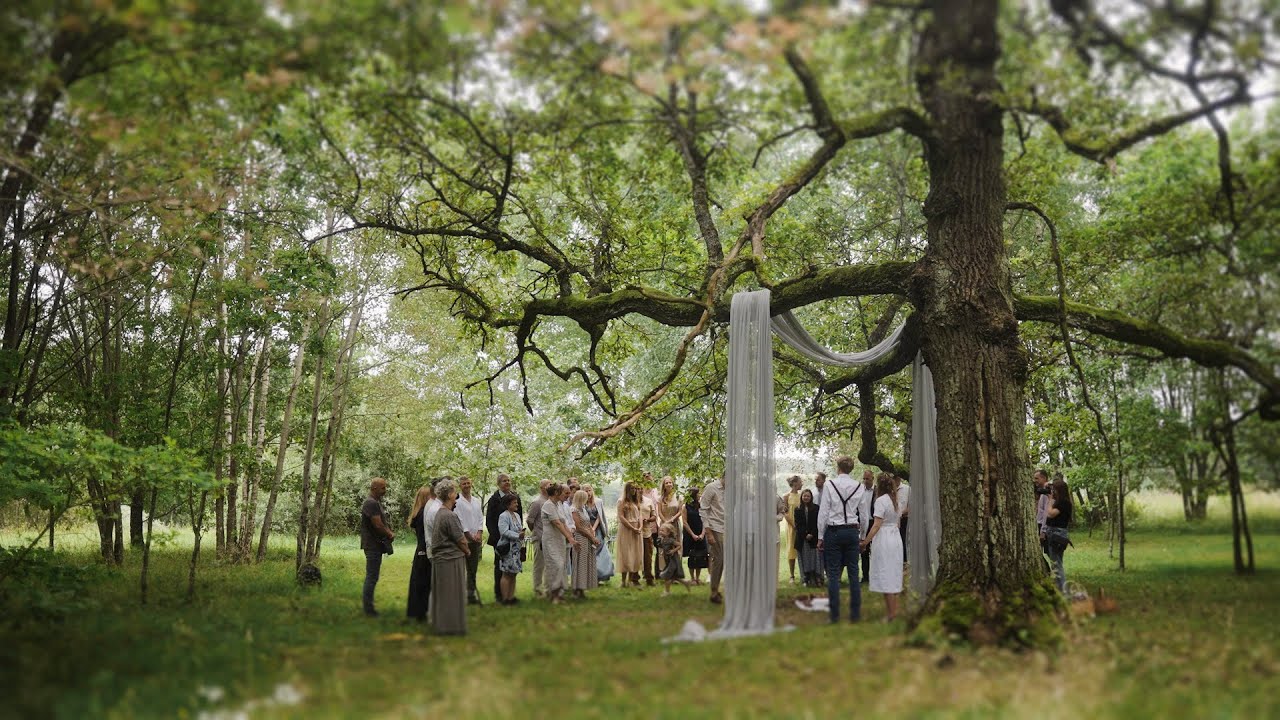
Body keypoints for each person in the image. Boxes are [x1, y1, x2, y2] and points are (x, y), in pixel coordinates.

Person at [817, 456, 865, 623]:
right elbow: (864, 515)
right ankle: (855, 615)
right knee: (853, 572)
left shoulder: (830, 484)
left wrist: (820, 536)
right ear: (850, 469)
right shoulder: (859, 486)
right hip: (852, 531)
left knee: (834, 574)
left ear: (838, 468)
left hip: (834, 531)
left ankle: (835, 616)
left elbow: (823, 512)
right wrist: (863, 537)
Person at [429, 479, 470, 635]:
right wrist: (467, 550)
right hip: (450, 559)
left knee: (444, 594)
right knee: (452, 595)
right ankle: (451, 627)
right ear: (450, 494)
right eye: (454, 491)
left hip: (442, 559)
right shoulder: (449, 515)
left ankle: (443, 624)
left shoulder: (440, 512)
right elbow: (460, 539)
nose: (456, 494)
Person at [862, 473, 904, 622]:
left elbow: (876, 525)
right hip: (896, 538)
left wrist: (865, 542)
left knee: (886, 574)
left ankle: (891, 614)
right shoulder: (896, 501)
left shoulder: (880, 501)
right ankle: (894, 611)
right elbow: (897, 523)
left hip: (885, 539)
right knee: (893, 573)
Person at [359, 477, 394, 617]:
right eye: (382, 488)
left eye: (385, 487)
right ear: (374, 488)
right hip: (372, 545)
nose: (385, 490)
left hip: (375, 545)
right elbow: (377, 524)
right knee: (372, 576)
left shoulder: (374, 503)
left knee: (373, 576)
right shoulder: (371, 503)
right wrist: (389, 533)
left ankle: (369, 607)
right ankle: (369, 609)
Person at [486, 473, 523, 603]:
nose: (507, 483)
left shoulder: (515, 497)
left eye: (508, 480)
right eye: (504, 481)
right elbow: (489, 521)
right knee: (500, 568)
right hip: (501, 541)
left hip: (515, 541)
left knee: (513, 569)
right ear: (499, 484)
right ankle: (500, 596)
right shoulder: (494, 499)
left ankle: (510, 596)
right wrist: (498, 540)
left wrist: (520, 534)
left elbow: (520, 516)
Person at [541, 483, 575, 604]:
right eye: (561, 492)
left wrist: (571, 537)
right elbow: (557, 523)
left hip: (559, 540)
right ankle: (553, 594)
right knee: (556, 566)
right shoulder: (548, 505)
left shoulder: (559, 504)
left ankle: (558, 594)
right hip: (550, 541)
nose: (565, 494)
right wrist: (569, 538)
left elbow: (564, 522)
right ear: (556, 493)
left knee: (561, 567)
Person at [455, 476, 485, 605]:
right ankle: (459, 595)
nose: (466, 485)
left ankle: (470, 594)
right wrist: (468, 535)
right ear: (460, 486)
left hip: (476, 540)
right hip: (463, 540)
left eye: (468, 483)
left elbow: (480, 518)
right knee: (461, 568)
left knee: (473, 568)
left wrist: (479, 532)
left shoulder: (476, 501)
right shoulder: (457, 502)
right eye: (464, 484)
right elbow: (459, 520)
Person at [406, 484, 434, 620]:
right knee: (424, 582)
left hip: (420, 550)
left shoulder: (418, 513)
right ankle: (421, 612)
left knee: (418, 581)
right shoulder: (424, 513)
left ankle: (417, 611)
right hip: (424, 549)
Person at [570, 490, 601, 599]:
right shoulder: (574, 509)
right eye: (585, 498)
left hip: (588, 538)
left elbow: (587, 524)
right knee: (580, 563)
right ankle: (576, 589)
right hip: (580, 538)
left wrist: (593, 535)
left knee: (586, 563)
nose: (587, 499)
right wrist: (591, 537)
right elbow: (578, 527)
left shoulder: (583, 509)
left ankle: (582, 588)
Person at [700, 476, 726, 604]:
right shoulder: (711, 488)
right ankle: (714, 592)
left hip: (728, 528)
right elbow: (703, 509)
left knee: (724, 560)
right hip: (715, 528)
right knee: (719, 559)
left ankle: (718, 590)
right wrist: (708, 532)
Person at [1045, 476, 1074, 592]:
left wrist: (1050, 500)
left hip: (1057, 533)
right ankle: (1060, 588)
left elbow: (1050, 514)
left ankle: (1063, 591)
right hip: (1055, 532)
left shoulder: (1063, 502)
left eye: (1054, 489)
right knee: (1056, 563)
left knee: (1057, 565)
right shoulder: (1061, 501)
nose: (1052, 491)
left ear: (1059, 490)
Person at [496, 493, 525, 605]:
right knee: (506, 573)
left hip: (516, 549)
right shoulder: (503, 516)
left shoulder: (517, 515)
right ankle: (505, 599)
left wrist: (521, 533)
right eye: (514, 502)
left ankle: (511, 597)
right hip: (507, 549)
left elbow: (518, 529)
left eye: (516, 502)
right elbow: (503, 531)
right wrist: (518, 535)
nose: (517, 504)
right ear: (508, 504)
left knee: (514, 573)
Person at [615, 482, 644, 587]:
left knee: (635, 555)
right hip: (626, 530)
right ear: (627, 489)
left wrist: (640, 527)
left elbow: (640, 516)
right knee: (626, 555)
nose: (634, 490)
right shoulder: (621, 501)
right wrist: (632, 528)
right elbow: (621, 517)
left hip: (637, 530)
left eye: (635, 488)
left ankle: (631, 580)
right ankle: (623, 582)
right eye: (632, 488)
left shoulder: (636, 501)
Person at [526, 479, 550, 597]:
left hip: (549, 539)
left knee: (548, 565)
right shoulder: (537, 502)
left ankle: (546, 588)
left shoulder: (549, 501)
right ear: (541, 488)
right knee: (539, 565)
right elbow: (529, 520)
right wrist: (536, 532)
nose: (551, 486)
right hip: (539, 538)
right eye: (548, 485)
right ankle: (537, 589)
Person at [654, 521, 691, 596]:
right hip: (668, 560)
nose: (660, 532)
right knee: (674, 577)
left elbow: (679, 545)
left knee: (667, 576)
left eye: (662, 531)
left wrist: (673, 551)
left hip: (673, 560)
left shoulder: (671, 540)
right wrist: (662, 552)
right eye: (660, 530)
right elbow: (663, 547)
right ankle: (686, 582)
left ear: (668, 533)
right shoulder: (663, 540)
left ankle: (667, 592)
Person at [794, 489, 821, 587]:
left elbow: (817, 523)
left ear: (811, 497)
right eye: (804, 496)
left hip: (813, 538)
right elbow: (798, 524)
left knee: (814, 558)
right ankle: (805, 578)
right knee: (804, 558)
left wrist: (812, 534)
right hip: (802, 538)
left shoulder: (816, 508)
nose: (806, 498)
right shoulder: (797, 509)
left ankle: (815, 577)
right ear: (801, 497)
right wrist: (805, 534)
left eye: (808, 496)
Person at [586, 486, 614, 583]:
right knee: (591, 552)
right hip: (587, 528)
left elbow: (600, 516)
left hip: (597, 528)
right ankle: (592, 576)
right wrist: (590, 528)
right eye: (586, 491)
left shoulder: (598, 501)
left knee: (601, 551)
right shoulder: (582, 503)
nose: (588, 492)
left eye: (589, 490)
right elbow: (584, 517)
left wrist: (594, 528)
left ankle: (602, 574)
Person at [682, 487, 708, 585]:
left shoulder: (701, 506)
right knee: (692, 556)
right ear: (693, 495)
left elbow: (705, 520)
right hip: (690, 533)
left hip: (700, 531)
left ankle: (698, 578)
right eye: (698, 494)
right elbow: (684, 522)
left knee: (700, 555)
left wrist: (702, 533)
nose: (699, 495)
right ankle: (692, 578)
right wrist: (692, 534)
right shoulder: (685, 506)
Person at [656, 475, 684, 561]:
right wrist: (666, 522)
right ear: (663, 485)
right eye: (666, 483)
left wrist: (672, 519)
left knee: (675, 544)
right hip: (664, 525)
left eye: (670, 482)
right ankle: (663, 568)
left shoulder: (679, 497)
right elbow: (659, 512)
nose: (668, 484)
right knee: (664, 545)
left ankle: (676, 568)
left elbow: (680, 511)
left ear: (673, 484)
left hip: (675, 524)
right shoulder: (660, 498)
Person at [640, 477, 659, 586]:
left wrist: (651, 520)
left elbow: (654, 512)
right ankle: (635, 577)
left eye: (649, 478)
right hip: (637, 530)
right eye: (645, 478)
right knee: (639, 554)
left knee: (649, 553)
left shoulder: (654, 492)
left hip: (651, 528)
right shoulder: (636, 495)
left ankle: (652, 575)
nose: (648, 480)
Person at [784, 475, 802, 583]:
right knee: (791, 550)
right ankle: (792, 575)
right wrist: (793, 525)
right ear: (795, 483)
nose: (802, 484)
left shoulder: (802, 496)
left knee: (801, 549)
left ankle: (804, 573)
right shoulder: (786, 496)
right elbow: (785, 512)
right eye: (800, 482)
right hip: (791, 527)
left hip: (801, 526)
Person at [858, 469, 875, 583]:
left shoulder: (878, 491)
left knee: (877, 550)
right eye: (863, 479)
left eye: (867, 479)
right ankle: (865, 576)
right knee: (863, 550)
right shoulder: (859, 490)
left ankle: (876, 575)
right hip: (863, 524)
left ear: (872, 479)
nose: (865, 481)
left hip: (875, 523)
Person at [1033, 469, 1051, 553]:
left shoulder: (1047, 492)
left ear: (1044, 478)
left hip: (1044, 526)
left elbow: (1046, 512)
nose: (1035, 481)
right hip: (1039, 524)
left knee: (1050, 553)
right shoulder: (1041, 491)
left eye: (1037, 478)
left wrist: (1043, 530)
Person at [895, 474, 911, 557]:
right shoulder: (890, 489)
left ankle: (904, 559)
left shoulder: (907, 489)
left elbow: (911, 503)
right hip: (893, 520)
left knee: (903, 539)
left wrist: (907, 510)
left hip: (904, 518)